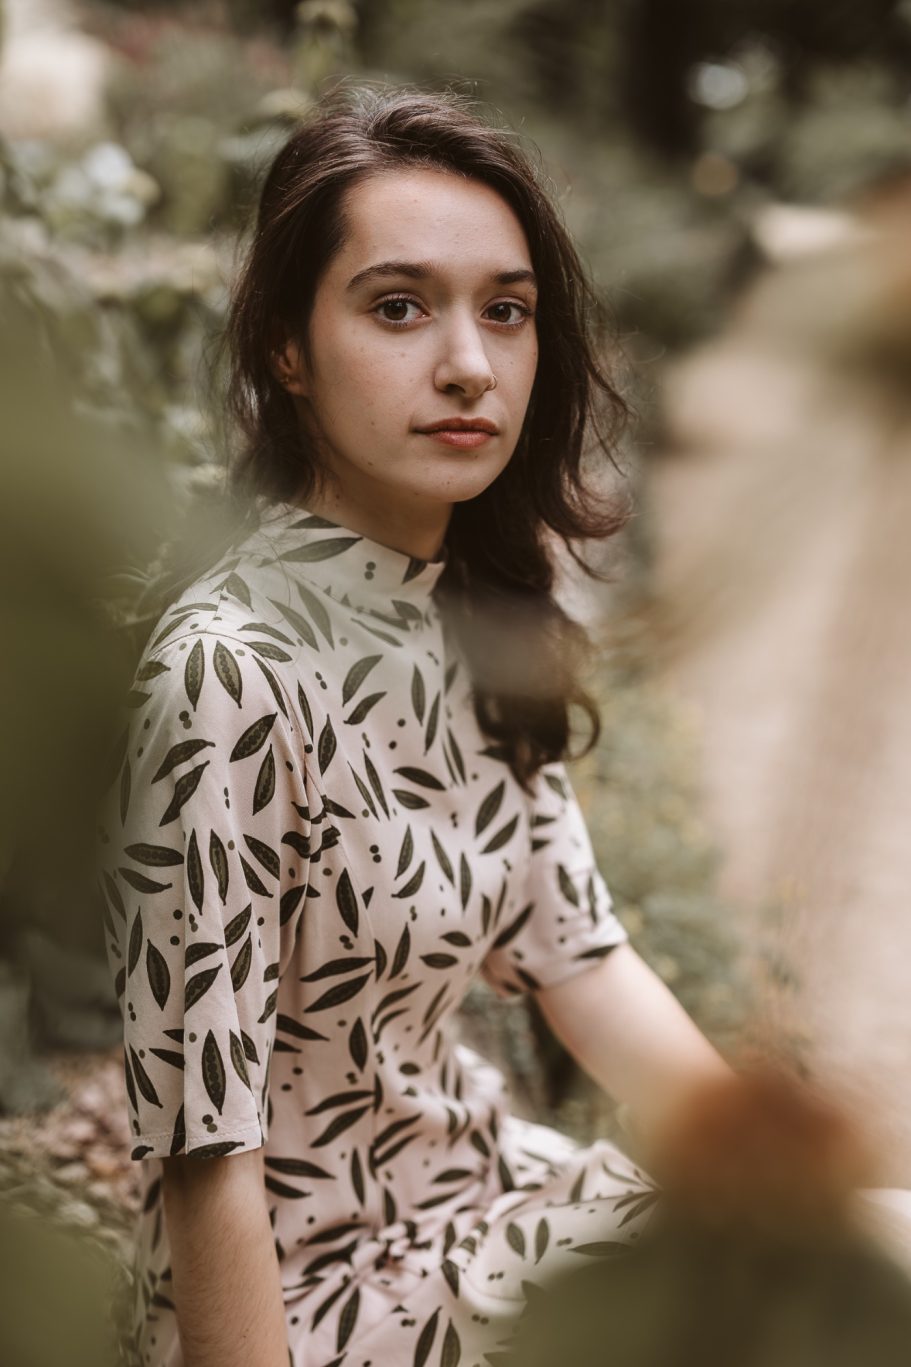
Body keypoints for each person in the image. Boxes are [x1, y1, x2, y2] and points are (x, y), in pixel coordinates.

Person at [97, 84, 730, 1367]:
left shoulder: (469, 612)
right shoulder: (224, 675)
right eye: (398, 307)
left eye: (505, 310)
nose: (469, 363)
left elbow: (582, 959)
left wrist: (788, 1199)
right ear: (286, 346)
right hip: (320, 1300)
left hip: (484, 1201)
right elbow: (201, 1139)